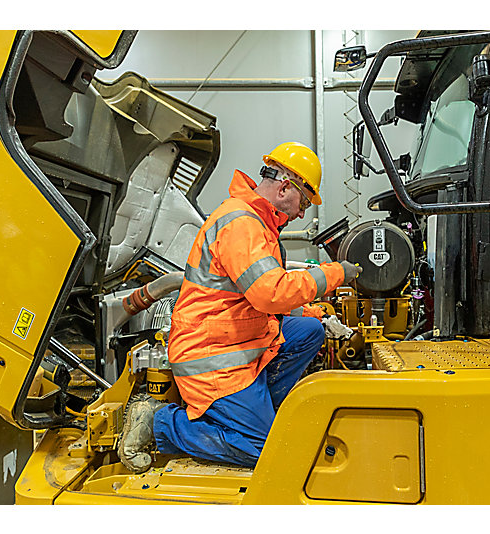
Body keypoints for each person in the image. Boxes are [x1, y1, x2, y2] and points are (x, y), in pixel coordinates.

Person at [118, 141, 363, 472]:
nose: (302, 213)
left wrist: (313, 313)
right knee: (261, 450)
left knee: (307, 331)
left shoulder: (258, 222)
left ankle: (259, 414)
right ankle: (160, 423)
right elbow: (269, 293)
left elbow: (254, 297)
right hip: (211, 354)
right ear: (285, 187)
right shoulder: (242, 223)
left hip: (236, 336)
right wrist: (335, 273)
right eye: (304, 202)